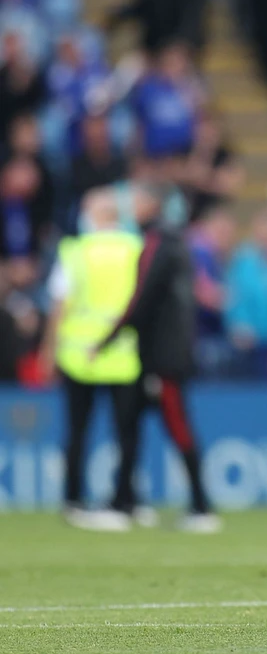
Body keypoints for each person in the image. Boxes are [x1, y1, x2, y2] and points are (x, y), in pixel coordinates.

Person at [93, 183, 221, 533]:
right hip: (161, 352)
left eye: (136, 200)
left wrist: (107, 338)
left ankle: (200, 506)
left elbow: (142, 298)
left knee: (175, 426)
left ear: (152, 204)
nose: (131, 206)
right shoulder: (173, 241)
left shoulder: (158, 242)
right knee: (129, 424)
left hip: (163, 356)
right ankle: (125, 501)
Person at [40, 193, 145, 531]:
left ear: (95, 215)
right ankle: (124, 499)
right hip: (124, 354)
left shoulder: (76, 251)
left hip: (79, 354)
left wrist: (47, 350)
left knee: (77, 432)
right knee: (127, 433)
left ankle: (73, 499)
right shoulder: (135, 249)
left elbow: (60, 304)